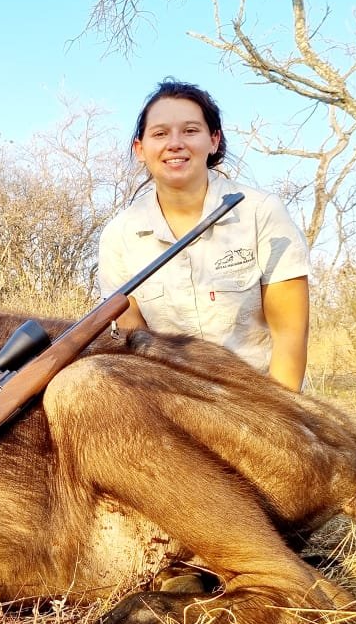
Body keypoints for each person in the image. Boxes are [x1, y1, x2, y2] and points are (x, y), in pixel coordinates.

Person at [98, 80, 311, 391]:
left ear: (214, 140)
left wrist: (279, 420)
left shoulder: (261, 211)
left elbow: (290, 337)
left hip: (264, 400)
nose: (175, 143)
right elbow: (135, 350)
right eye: (160, 133)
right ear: (140, 149)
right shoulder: (119, 235)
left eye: (190, 130)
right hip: (175, 405)